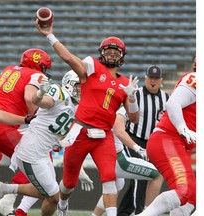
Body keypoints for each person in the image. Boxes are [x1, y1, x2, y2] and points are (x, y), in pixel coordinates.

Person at [34, 19, 140, 216]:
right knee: (68, 183)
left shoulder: (126, 83)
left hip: (104, 136)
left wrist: (132, 97)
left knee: (109, 178)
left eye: (116, 52)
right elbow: (68, 58)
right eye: (108, 50)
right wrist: (50, 36)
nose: (112, 54)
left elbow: (134, 118)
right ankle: (63, 205)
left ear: (122, 56)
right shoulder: (92, 66)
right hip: (81, 131)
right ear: (101, 52)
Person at [0, 70, 94, 216]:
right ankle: (3, 189)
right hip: (31, 152)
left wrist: (80, 170)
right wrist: (40, 93)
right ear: (69, 84)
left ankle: (2, 188)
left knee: (51, 195)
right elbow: (40, 102)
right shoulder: (60, 92)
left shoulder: (78, 107)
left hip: (43, 153)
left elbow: (69, 140)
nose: (81, 89)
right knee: (53, 197)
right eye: (78, 85)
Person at [0, 48, 52, 215]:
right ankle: (7, 200)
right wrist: (37, 116)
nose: (45, 72)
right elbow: (29, 97)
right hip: (4, 127)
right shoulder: (35, 75)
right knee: (39, 157)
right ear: (38, 65)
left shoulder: (8, 70)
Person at [135, 63, 196, 216]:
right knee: (183, 191)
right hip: (167, 139)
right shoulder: (196, 79)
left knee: (191, 197)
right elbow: (173, 103)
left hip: (176, 144)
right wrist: (182, 127)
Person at [91, 106, 163, 216]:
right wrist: (136, 147)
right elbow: (119, 131)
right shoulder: (122, 110)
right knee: (157, 175)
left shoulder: (103, 108)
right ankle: (147, 213)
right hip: (117, 160)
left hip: (104, 158)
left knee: (117, 186)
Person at [118, 65, 170, 215]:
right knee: (140, 174)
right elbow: (123, 120)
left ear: (161, 80)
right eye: (150, 78)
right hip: (134, 140)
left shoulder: (167, 98)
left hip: (154, 143)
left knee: (148, 176)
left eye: (156, 78)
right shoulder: (136, 95)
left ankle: (124, 212)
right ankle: (139, 211)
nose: (153, 81)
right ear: (145, 79)